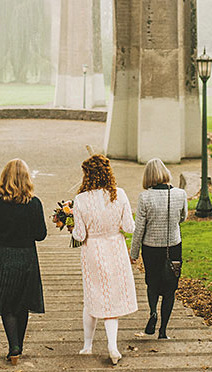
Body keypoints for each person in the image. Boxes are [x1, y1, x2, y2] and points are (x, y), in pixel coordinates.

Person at [0, 158, 47, 365]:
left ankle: (13, 345)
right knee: (22, 302)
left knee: (7, 303)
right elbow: (40, 234)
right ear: (27, 178)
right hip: (26, 257)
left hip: (2, 256)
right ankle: (19, 346)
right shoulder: (34, 203)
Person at [72, 154, 137, 365]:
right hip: (115, 248)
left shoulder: (80, 200)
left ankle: (87, 345)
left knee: (93, 296)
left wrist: (71, 227)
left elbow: (80, 235)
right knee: (112, 298)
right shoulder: (120, 195)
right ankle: (112, 345)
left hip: (93, 250)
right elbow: (129, 227)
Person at [130, 157, 188, 340]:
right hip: (173, 247)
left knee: (152, 283)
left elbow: (139, 228)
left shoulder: (145, 197)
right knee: (170, 288)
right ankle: (163, 331)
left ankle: (153, 312)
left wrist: (133, 253)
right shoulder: (180, 194)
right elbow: (183, 218)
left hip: (151, 248)